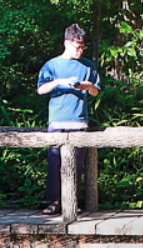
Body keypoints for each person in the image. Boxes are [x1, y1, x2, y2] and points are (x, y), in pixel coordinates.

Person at [37, 23, 100, 216]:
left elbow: (96, 92)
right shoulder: (52, 65)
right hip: (57, 121)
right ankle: (54, 201)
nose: (80, 50)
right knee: (54, 163)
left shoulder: (88, 66)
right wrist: (58, 82)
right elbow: (40, 89)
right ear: (66, 43)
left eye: (82, 47)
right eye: (76, 46)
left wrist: (89, 87)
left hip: (79, 121)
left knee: (76, 165)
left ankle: (72, 202)